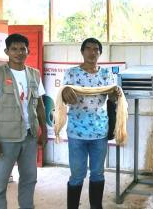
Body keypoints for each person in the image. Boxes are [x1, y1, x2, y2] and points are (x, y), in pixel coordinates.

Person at [0, 33, 47, 209]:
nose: (18, 52)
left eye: (22, 49)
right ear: (7, 51)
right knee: (0, 184)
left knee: (29, 179)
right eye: (14, 49)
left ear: (28, 51)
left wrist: (44, 130)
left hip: (29, 136)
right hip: (5, 138)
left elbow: (40, 104)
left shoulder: (34, 74)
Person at [62, 38, 119, 209]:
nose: (92, 52)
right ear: (82, 51)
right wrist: (65, 91)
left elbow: (112, 99)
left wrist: (115, 94)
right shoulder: (71, 73)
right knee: (77, 175)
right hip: (76, 132)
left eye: (96, 49)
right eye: (88, 49)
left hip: (99, 131)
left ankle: (96, 206)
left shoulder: (106, 74)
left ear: (100, 53)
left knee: (98, 173)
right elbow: (63, 97)